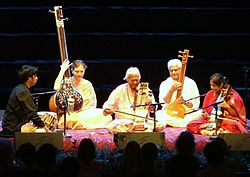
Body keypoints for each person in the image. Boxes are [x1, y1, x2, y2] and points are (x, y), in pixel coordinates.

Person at [53, 59, 112, 129]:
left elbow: (93, 103)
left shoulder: (87, 84)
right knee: (68, 119)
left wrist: (89, 113)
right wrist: (62, 70)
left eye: (82, 71)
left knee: (107, 116)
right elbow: (56, 87)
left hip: (85, 113)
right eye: (77, 71)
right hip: (72, 114)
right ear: (72, 71)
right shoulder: (67, 82)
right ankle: (82, 125)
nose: (79, 74)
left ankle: (80, 125)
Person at [0, 65, 50, 135]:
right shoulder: (22, 91)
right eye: (35, 76)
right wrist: (47, 130)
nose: (37, 78)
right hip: (13, 127)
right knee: (42, 132)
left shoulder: (21, 88)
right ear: (30, 78)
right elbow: (32, 114)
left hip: (13, 124)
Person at [103, 66, 156, 132]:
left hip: (141, 123)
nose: (135, 82)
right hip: (124, 123)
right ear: (127, 79)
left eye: (137, 80)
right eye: (132, 80)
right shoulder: (120, 89)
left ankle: (135, 130)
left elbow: (153, 106)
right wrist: (107, 109)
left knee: (160, 124)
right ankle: (134, 130)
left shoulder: (145, 89)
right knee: (112, 127)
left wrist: (152, 106)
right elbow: (108, 104)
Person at [156, 59, 201, 127]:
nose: (174, 72)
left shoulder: (191, 83)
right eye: (171, 71)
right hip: (171, 114)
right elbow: (164, 102)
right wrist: (171, 90)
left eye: (176, 70)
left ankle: (173, 124)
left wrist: (184, 102)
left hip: (186, 114)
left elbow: (194, 104)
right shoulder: (165, 83)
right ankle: (186, 124)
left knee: (199, 112)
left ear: (181, 70)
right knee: (158, 114)